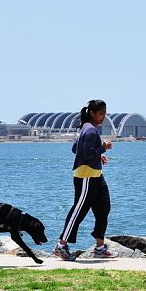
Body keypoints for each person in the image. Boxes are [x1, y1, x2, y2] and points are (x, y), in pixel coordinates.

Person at [53, 100, 118, 261]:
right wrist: (103, 148)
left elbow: (76, 149)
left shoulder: (87, 129)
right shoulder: (90, 131)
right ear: (92, 113)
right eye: (101, 113)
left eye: (105, 113)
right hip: (86, 177)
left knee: (103, 208)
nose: (103, 117)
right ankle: (61, 246)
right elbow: (86, 153)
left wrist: (98, 154)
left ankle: (100, 247)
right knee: (78, 211)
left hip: (96, 176)